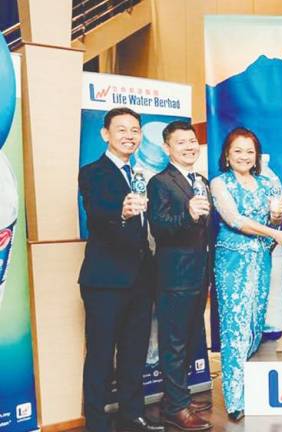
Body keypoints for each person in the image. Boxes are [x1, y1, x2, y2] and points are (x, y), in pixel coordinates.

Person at [78, 107, 163, 432]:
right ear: (105, 134)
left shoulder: (140, 174)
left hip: (141, 279)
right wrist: (123, 213)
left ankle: (133, 415)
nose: (130, 136)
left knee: (134, 352)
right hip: (106, 280)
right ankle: (96, 423)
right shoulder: (92, 172)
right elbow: (97, 216)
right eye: (122, 130)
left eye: (135, 130)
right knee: (100, 355)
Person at [210, 127, 282, 421]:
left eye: (250, 151)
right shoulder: (220, 183)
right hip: (232, 261)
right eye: (238, 151)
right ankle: (235, 400)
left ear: (256, 155)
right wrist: (274, 231)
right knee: (235, 328)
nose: (244, 156)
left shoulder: (266, 183)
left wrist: (276, 215)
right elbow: (235, 219)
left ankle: (249, 390)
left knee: (254, 326)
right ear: (227, 155)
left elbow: (274, 219)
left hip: (260, 260)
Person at [147, 121, 212, 431]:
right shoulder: (160, 182)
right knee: (173, 343)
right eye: (181, 142)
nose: (189, 146)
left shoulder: (200, 180)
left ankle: (176, 399)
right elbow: (160, 227)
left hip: (199, 274)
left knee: (187, 339)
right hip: (174, 275)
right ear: (167, 148)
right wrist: (188, 213)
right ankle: (176, 410)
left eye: (192, 141)